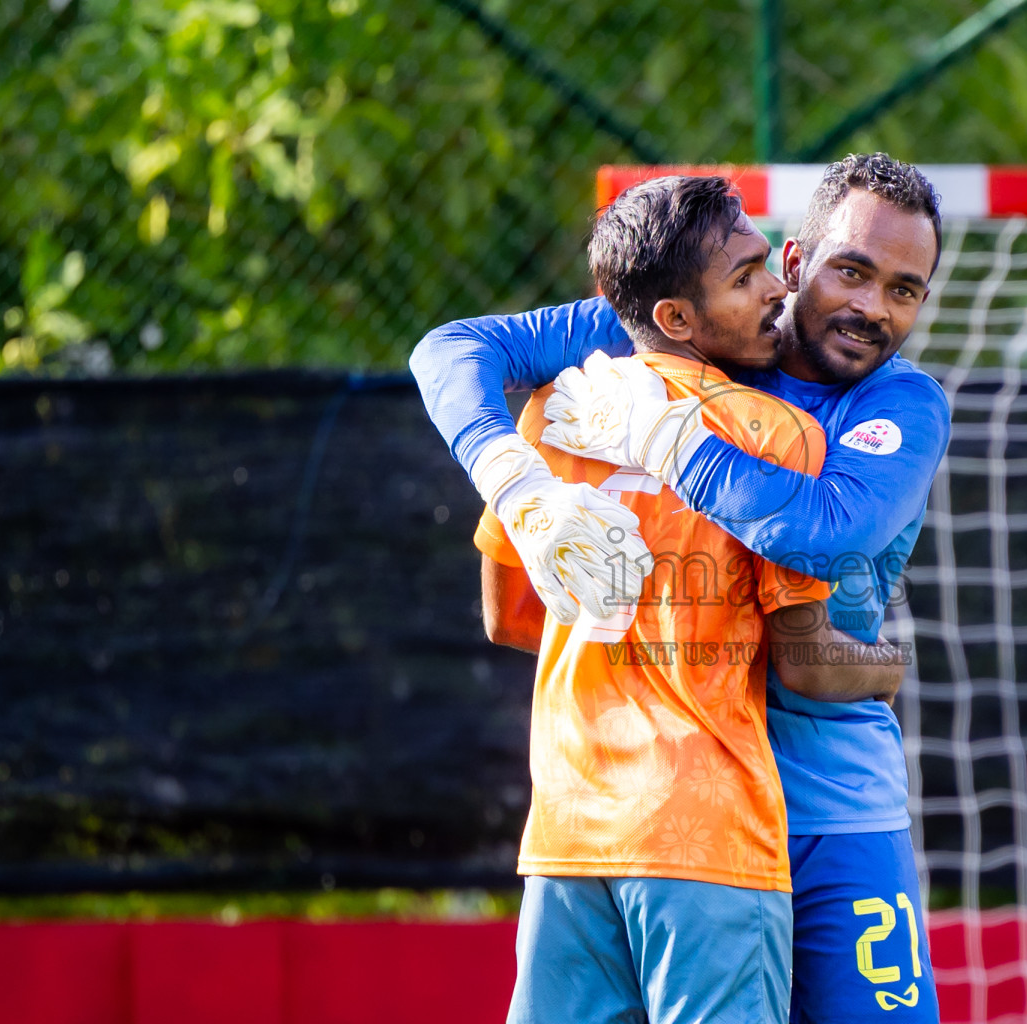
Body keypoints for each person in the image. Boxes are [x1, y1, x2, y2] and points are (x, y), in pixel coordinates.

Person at [410, 153, 949, 1022]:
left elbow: (826, 527)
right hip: (693, 817)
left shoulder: (904, 405)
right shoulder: (700, 329)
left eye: (904, 290)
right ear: (794, 261)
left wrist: (670, 446)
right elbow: (451, 348)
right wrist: (514, 480)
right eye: (853, 270)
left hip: (831, 809)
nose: (871, 308)